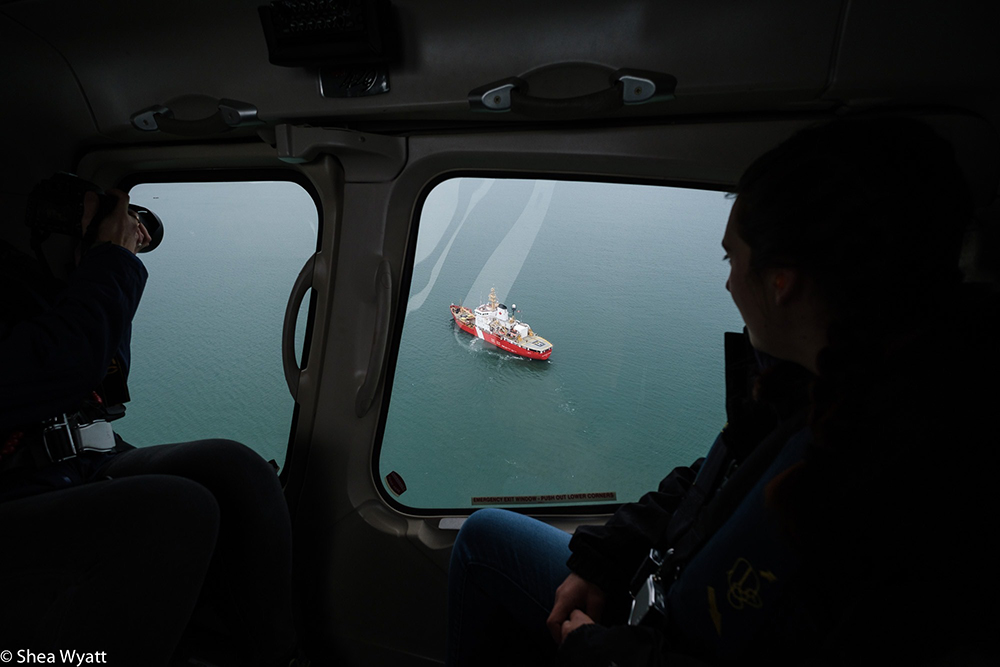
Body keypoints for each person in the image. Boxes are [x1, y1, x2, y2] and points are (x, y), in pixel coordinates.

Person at [446, 117, 1000, 666]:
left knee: (478, 546)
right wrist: (605, 557)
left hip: (661, 639)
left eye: (730, 259)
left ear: (783, 284)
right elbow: (711, 483)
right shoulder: (817, 389)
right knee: (484, 534)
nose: (728, 281)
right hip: (660, 596)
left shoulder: (910, 488)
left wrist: (604, 655)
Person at [1, 189, 302, 666]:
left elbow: (103, 379)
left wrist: (93, 268)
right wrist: (111, 261)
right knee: (179, 510)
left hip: (83, 458)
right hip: (15, 483)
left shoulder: (17, 273)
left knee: (235, 470)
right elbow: (58, 369)